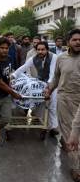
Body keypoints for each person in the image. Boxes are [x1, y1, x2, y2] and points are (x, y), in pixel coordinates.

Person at [45, 29, 80, 182]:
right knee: (68, 134)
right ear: (68, 42)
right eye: (75, 40)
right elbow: (56, 78)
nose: (78, 42)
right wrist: (49, 89)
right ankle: (76, 167)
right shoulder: (61, 58)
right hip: (65, 99)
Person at [13, 41, 59, 136]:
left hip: (52, 84)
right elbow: (24, 67)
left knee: (52, 106)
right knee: (41, 105)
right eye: (38, 50)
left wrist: (49, 87)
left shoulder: (54, 57)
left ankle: (52, 128)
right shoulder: (33, 58)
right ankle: (43, 124)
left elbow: (52, 74)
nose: (40, 51)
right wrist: (13, 75)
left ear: (47, 49)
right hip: (41, 83)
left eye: (43, 49)